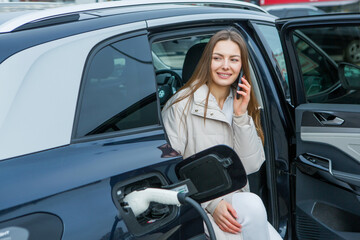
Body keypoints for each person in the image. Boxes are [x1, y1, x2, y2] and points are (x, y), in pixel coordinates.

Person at [161, 29, 283, 240]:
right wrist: (212, 204)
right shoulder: (180, 106)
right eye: (218, 58)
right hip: (198, 209)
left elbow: (251, 166)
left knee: (254, 208)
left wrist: (240, 116)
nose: (225, 66)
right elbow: (171, 174)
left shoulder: (243, 103)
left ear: (242, 67)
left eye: (233, 60)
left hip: (238, 205)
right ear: (207, 61)